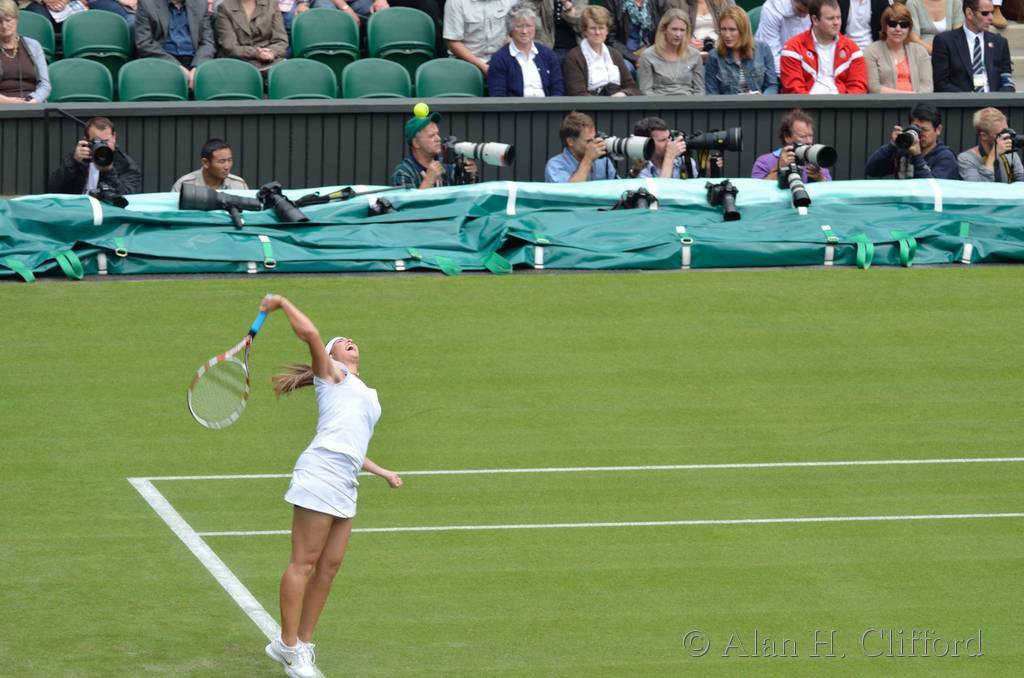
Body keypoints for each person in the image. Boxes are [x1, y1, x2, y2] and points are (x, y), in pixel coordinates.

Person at [257, 294, 402, 678]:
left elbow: (352, 444)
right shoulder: (333, 375)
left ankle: (303, 644)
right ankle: (288, 646)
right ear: (331, 357)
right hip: (320, 474)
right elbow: (310, 334)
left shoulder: (365, 392)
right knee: (303, 562)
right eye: (341, 341)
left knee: (329, 567)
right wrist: (282, 303)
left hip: (345, 480)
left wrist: (382, 471)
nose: (349, 341)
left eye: (351, 340)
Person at [780, 0, 868, 94]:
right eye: (830, 18)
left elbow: (858, 88)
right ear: (815, 20)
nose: (837, 22)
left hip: (842, 103)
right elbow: (794, 90)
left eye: (838, 17)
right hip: (806, 103)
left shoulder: (853, 50)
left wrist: (842, 103)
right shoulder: (793, 49)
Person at [932, 0, 1013, 93]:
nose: (991, 18)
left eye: (992, 12)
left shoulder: (1000, 43)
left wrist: (996, 99)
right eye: (985, 13)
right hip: (961, 100)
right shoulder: (945, 41)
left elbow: (1007, 82)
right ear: (969, 13)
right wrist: (969, 99)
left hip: (994, 100)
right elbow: (940, 84)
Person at [47, 116, 142, 195]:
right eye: (98, 141)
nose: (104, 145)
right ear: (86, 140)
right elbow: (53, 188)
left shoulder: (126, 164)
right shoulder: (79, 157)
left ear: (114, 137)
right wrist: (73, 161)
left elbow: (128, 197)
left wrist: (109, 171)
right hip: (78, 208)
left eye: (106, 140)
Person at [135, 0, 217, 90]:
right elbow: (144, 43)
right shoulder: (147, 4)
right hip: (162, 61)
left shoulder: (200, 3)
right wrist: (176, 67)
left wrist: (197, 67)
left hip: (194, 60)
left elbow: (207, 42)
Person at [487, 3, 565, 96]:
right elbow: (498, 96)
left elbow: (558, 89)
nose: (524, 31)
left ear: (535, 28)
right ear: (511, 29)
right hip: (515, 105)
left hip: (548, 105)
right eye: (519, 26)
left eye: (529, 26)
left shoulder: (548, 55)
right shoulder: (499, 59)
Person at [563, 5, 641, 96]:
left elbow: (632, 88)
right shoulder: (574, 57)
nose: (597, 32)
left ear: (607, 30)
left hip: (618, 102)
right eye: (593, 28)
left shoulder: (615, 54)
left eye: (601, 28)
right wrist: (606, 101)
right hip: (591, 104)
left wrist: (623, 93)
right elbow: (577, 94)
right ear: (584, 31)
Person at [864, 103, 958, 179]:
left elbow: (932, 189)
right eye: (916, 128)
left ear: (938, 130)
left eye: (924, 130)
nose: (920, 134)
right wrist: (891, 145)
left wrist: (917, 156)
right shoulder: (903, 152)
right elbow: (871, 170)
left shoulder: (945, 157)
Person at [390, 110, 478, 189]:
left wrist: (471, 176)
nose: (438, 139)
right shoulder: (403, 173)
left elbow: (464, 197)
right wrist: (429, 180)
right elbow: (407, 202)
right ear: (416, 143)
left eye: (437, 134)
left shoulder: (447, 165)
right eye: (431, 136)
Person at [704, 5, 779, 94]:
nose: (727, 35)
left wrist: (761, 99)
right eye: (723, 29)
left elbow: (772, 85)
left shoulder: (763, 49)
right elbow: (712, 94)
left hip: (759, 102)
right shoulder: (714, 56)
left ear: (743, 30)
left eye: (732, 30)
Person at [863, 3, 933, 93]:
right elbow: (874, 88)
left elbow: (927, 87)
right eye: (893, 24)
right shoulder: (871, 51)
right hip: (885, 102)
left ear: (909, 28)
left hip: (917, 101)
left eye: (904, 25)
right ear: (884, 26)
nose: (898, 29)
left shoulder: (920, 52)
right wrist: (907, 96)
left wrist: (914, 98)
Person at [751, 108, 832, 183]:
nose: (809, 141)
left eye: (810, 136)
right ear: (787, 137)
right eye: (803, 136)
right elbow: (757, 191)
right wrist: (779, 168)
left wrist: (821, 179)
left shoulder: (817, 160)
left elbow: (830, 192)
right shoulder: (764, 162)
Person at [637, 8, 705, 95]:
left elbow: (699, 90)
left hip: (688, 100)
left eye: (682, 30)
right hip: (659, 101)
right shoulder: (648, 56)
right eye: (674, 29)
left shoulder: (694, 54)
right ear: (664, 29)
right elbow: (646, 91)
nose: (678, 34)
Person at [444, 0, 518, 76]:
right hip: (467, 61)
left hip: (500, 58)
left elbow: (515, 29)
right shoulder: (455, 2)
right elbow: (453, 43)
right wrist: (484, 67)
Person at [544, 110, 619, 183]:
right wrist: (587, 160)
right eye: (588, 141)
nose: (593, 144)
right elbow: (570, 190)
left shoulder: (603, 161)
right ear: (570, 141)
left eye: (594, 138)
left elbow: (618, 188)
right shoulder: (555, 165)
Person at [0, 0, 50, 104]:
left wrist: (33, 100)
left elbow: (45, 85)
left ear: (17, 19)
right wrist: (7, 101)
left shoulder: (34, 45)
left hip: (32, 104)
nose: (4, 25)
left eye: (8, 20)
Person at [215, 0, 288, 70]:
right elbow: (229, 46)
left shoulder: (271, 3)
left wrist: (272, 52)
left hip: (269, 59)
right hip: (238, 60)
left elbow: (281, 40)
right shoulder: (224, 7)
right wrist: (256, 53)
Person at [957, 106, 1024, 182]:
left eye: (1007, 131)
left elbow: (1021, 180)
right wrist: (993, 156)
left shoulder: (1009, 153)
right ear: (984, 136)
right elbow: (978, 187)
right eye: (1001, 134)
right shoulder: (966, 159)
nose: (1006, 137)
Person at [603, 0, 671, 71]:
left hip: (653, 52)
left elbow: (665, 32)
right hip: (625, 56)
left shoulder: (659, 2)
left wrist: (651, 56)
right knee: (626, 68)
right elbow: (610, 38)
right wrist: (634, 58)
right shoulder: (613, 2)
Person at [629, 116, 701, 179]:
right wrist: (669, 156)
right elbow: (662, 189)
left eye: (669, 137)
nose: (669, 143)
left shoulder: (684, 162)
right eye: (662, 140)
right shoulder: (640, 171)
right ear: (647, 144)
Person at [171, 139, 250, 191]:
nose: (227, 166)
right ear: (205, 163)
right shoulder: (184, 185)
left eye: (229, 160)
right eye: (221, 161)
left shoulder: (239, 185)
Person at [755, 0, 811, 72]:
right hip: (772, 66)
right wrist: (791, 74)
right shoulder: (771, 9)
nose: (804, 16)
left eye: (808, 13)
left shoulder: (818, 8)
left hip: (802, 64)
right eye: (800, 10)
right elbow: (771, 54)